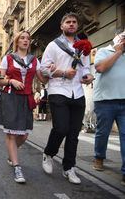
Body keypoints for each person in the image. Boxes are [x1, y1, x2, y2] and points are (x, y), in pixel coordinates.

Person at [40, 12, 94, 184]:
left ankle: (69, 167)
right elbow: (43, 69)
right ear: (62, 26)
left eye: (74, 22)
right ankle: (48, 153)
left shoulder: (83, 46)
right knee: (61, 128)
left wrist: (87, 76)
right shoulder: (53, 46)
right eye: (68, 22)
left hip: (77, 92)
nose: (71, 24)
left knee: (73, 134)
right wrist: (63, 72)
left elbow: (85, 68)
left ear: (77, 26)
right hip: (58, 90)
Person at [0, 30, 46, 183]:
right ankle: (17, 167)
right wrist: (11, 81)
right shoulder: (8, 58)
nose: (25, 40)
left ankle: (12, 153)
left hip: (26, 99)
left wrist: (53, 72)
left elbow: (43, 79)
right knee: (11, 134)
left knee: (24, 135)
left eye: (28, 38)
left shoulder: (35, 60)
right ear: (17, 41)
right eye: (22, 38)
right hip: (10, 97)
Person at [92, 28, 125, 185]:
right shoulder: (104, 51)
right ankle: (99, 157)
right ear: (117, 37)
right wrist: (118, 52)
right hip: (105, 101)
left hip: (124, 101)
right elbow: (100, 68)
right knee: (102, 132)